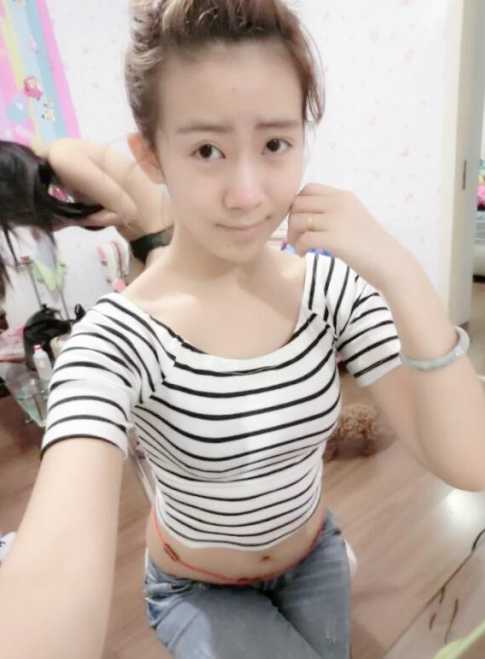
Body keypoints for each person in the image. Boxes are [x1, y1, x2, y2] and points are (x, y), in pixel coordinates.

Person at [1, 2, 485, 659]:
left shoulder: (328, 292)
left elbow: (468, 459)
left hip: (313, 554)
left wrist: (401, 271)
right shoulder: (116, 340)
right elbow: (49, 610)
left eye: (275, 144)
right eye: (207, 150)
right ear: (151, 155)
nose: (248, 193)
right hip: (197, 586)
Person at [0, 135, 174, 298]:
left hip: (162, 236)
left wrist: (71, 221)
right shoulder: (57, 164)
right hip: (147, 241)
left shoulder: (63, 158)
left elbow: (128, 213)